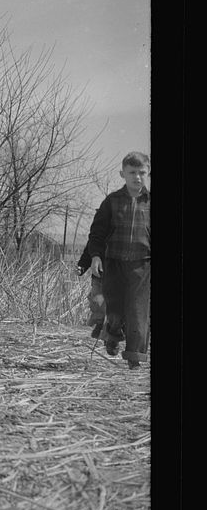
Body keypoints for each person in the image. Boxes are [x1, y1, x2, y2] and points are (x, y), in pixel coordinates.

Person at [84, 152, 151, 369]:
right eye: (132, 172)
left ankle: (135, 358)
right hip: (113, 263)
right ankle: (112, 334)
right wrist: (95, 256)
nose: (137, 177)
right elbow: (97, 232)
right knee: (114, 310)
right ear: (123, 174)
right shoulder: (111, 201)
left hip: (142, 265)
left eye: (142, 172)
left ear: (148, 172)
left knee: (138, 312)